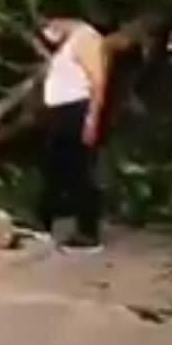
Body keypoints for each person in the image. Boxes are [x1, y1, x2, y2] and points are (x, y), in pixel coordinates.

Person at [35, 17, 110, 252]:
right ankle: (46, 221)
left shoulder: (85, 38)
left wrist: (92, 119)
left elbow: (98, 81)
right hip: (61, 113)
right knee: (55, 168)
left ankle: (88, 233)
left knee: (82, 171)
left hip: (76, 110)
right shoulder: (69, 42)